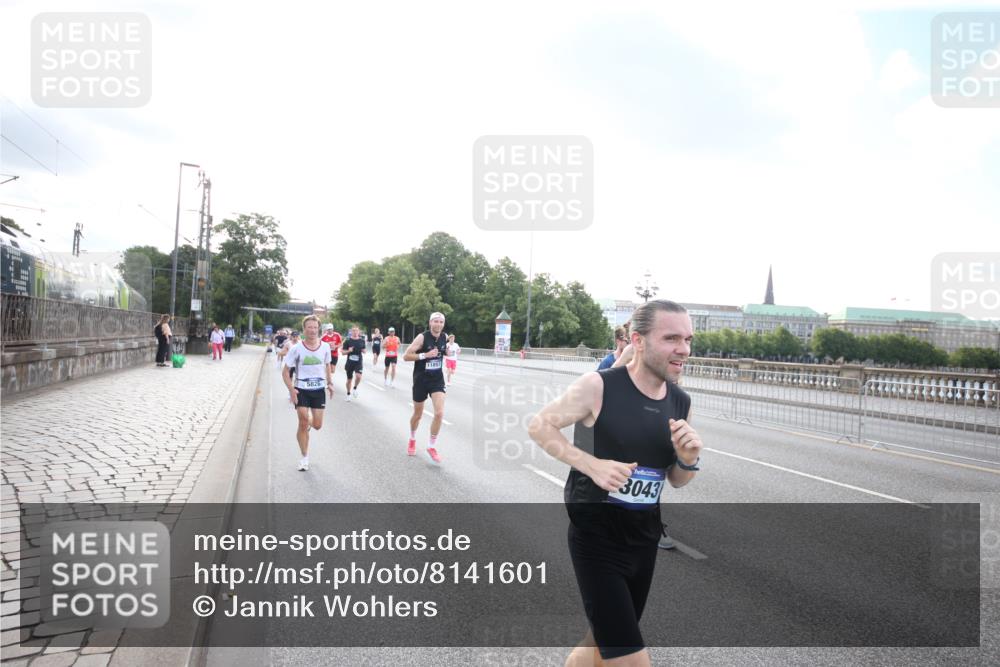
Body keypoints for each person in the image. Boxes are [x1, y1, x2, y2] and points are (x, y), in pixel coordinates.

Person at [527, 299, 702, 666]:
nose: (683, 349)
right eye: (671, 338)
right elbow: (540, 425)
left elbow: (677, 480)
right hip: (597, 539)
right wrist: (590, 464)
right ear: (638, 340)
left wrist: (688, 458)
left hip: (643, 540)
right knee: (631, 659)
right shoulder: (599, 386)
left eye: (687, 339)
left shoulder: (680, 401)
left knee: (597, 644)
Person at [283, 316, 333, 471]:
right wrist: (291, 389)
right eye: (309, 327)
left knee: (317, 425)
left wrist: (330, 383)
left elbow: (327, 365)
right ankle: (304, 457)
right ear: (304, 329)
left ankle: (310, 423)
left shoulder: (325, 347)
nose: (312, 330)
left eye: (315, 327)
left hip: (318, 390)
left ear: (319, 329)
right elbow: (285, 372)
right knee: (303, 422)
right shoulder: (296, 348)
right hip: (301, 389)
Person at [402, 312, 448, 463]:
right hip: (421, 380)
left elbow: (443, 351)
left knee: (440, 413)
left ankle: (431, 446)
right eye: (436, 321)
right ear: (430, 323)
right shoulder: (422, 337)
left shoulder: (444, 337)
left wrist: (449, 351)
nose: (439, 324)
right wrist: (424, 355)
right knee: (418, 414)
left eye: (441, 322)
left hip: (437, 380)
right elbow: (406, 356)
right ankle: (412, 438)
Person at [341, 325, 366, 401]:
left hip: (358, 362)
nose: (355, 332)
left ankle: (355, 388)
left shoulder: (362, 340)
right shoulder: (348, 340)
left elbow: (364, 350)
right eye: (353, 330)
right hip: (350, 363)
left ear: (359, 332)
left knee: (358, 376)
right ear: (351, 332)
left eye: (356, 330)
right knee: (349, 380)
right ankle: (348, 394)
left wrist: (363, 351)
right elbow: (342, 352)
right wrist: (349, 351)